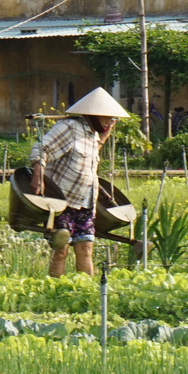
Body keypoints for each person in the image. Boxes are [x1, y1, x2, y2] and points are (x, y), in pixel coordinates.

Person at [27, 87, 127, 278]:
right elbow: (42, 148)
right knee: (61, 248)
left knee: (86, 247)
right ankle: (56, 290)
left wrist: (107, 132)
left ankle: (85, 291)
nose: (109, 121)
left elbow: (94, 150)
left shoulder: (92, 133)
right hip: (63, 201)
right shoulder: (69, 128)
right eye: (107, 117)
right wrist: (38, 176)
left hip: (86, 202)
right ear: (93, 114)